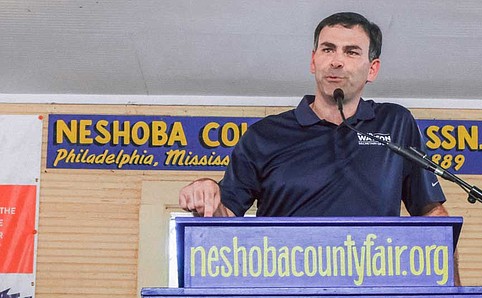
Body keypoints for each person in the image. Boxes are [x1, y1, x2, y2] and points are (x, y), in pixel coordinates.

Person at [179, 12, 458, 280]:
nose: (336, 61)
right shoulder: (264, 135)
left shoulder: (395, 123)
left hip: (372, 292)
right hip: (282, 290)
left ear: (372, 68)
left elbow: (432, 214)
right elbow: (225, 216)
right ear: (313, 61)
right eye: (327, 49)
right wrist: (207, 192)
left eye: (351, 52)